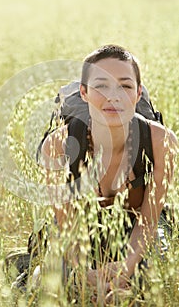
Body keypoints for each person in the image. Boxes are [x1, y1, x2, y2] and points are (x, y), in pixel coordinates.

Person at [41, 44, 178, 304]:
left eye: (125, 86)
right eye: (101, 86)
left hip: (138, 230)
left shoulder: (161, 142)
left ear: (138, 94)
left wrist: (126, 268)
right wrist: (87, 276)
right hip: (79, 232)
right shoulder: (58, 145)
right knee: (60, 283)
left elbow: (148, 221)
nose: (113, 96)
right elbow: (67, 224)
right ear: (84, 92)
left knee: (156, 278)